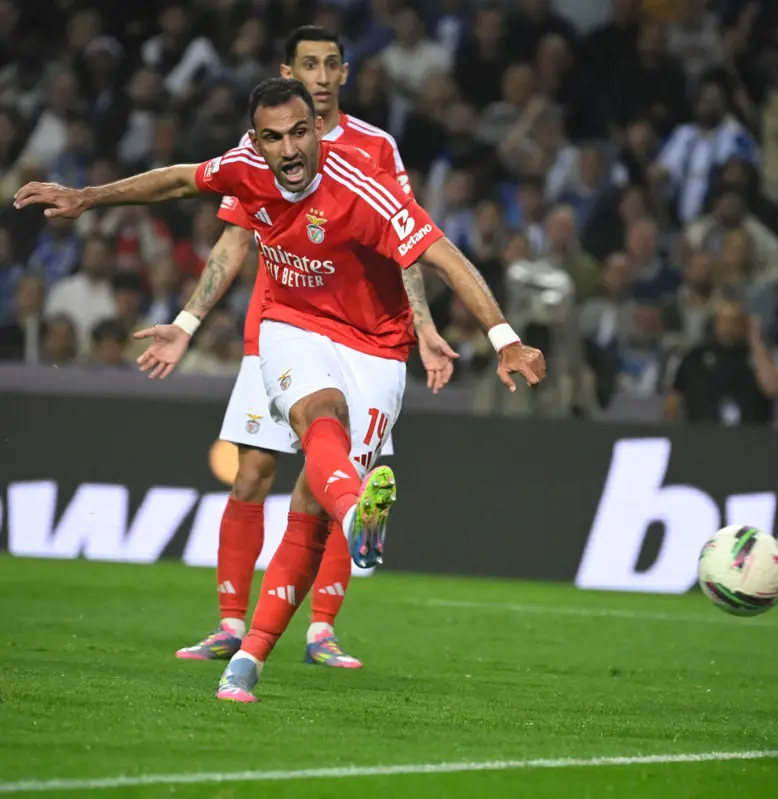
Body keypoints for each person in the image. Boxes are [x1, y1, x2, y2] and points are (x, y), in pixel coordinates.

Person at [14, 77, 546, 703]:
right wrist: (88, 197)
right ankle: (357, 517)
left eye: (300, 133)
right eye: (273, 138)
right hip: (291, 326)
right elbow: (180, 179)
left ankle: (252, 656)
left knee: (309, 506)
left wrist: (503, 336)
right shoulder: (245, 168)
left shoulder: (364, 193)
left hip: (377, 346)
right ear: (256, 141)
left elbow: (446, 256)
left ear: (318, 129)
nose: (289, 150)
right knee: (319, 419)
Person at [165, 26, 454, 670]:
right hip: (283, 324)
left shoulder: (376, 147)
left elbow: (405, 242)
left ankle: (320, 626)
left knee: (333, 478)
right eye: (308, 66)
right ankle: (231, 624)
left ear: (345, 74)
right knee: (253, 473)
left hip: (361, 336)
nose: (321, 77)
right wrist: (187, 321)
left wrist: (423, 325)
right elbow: (234, 240)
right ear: (288, 74)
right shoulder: (258, 148)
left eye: (331, 65)